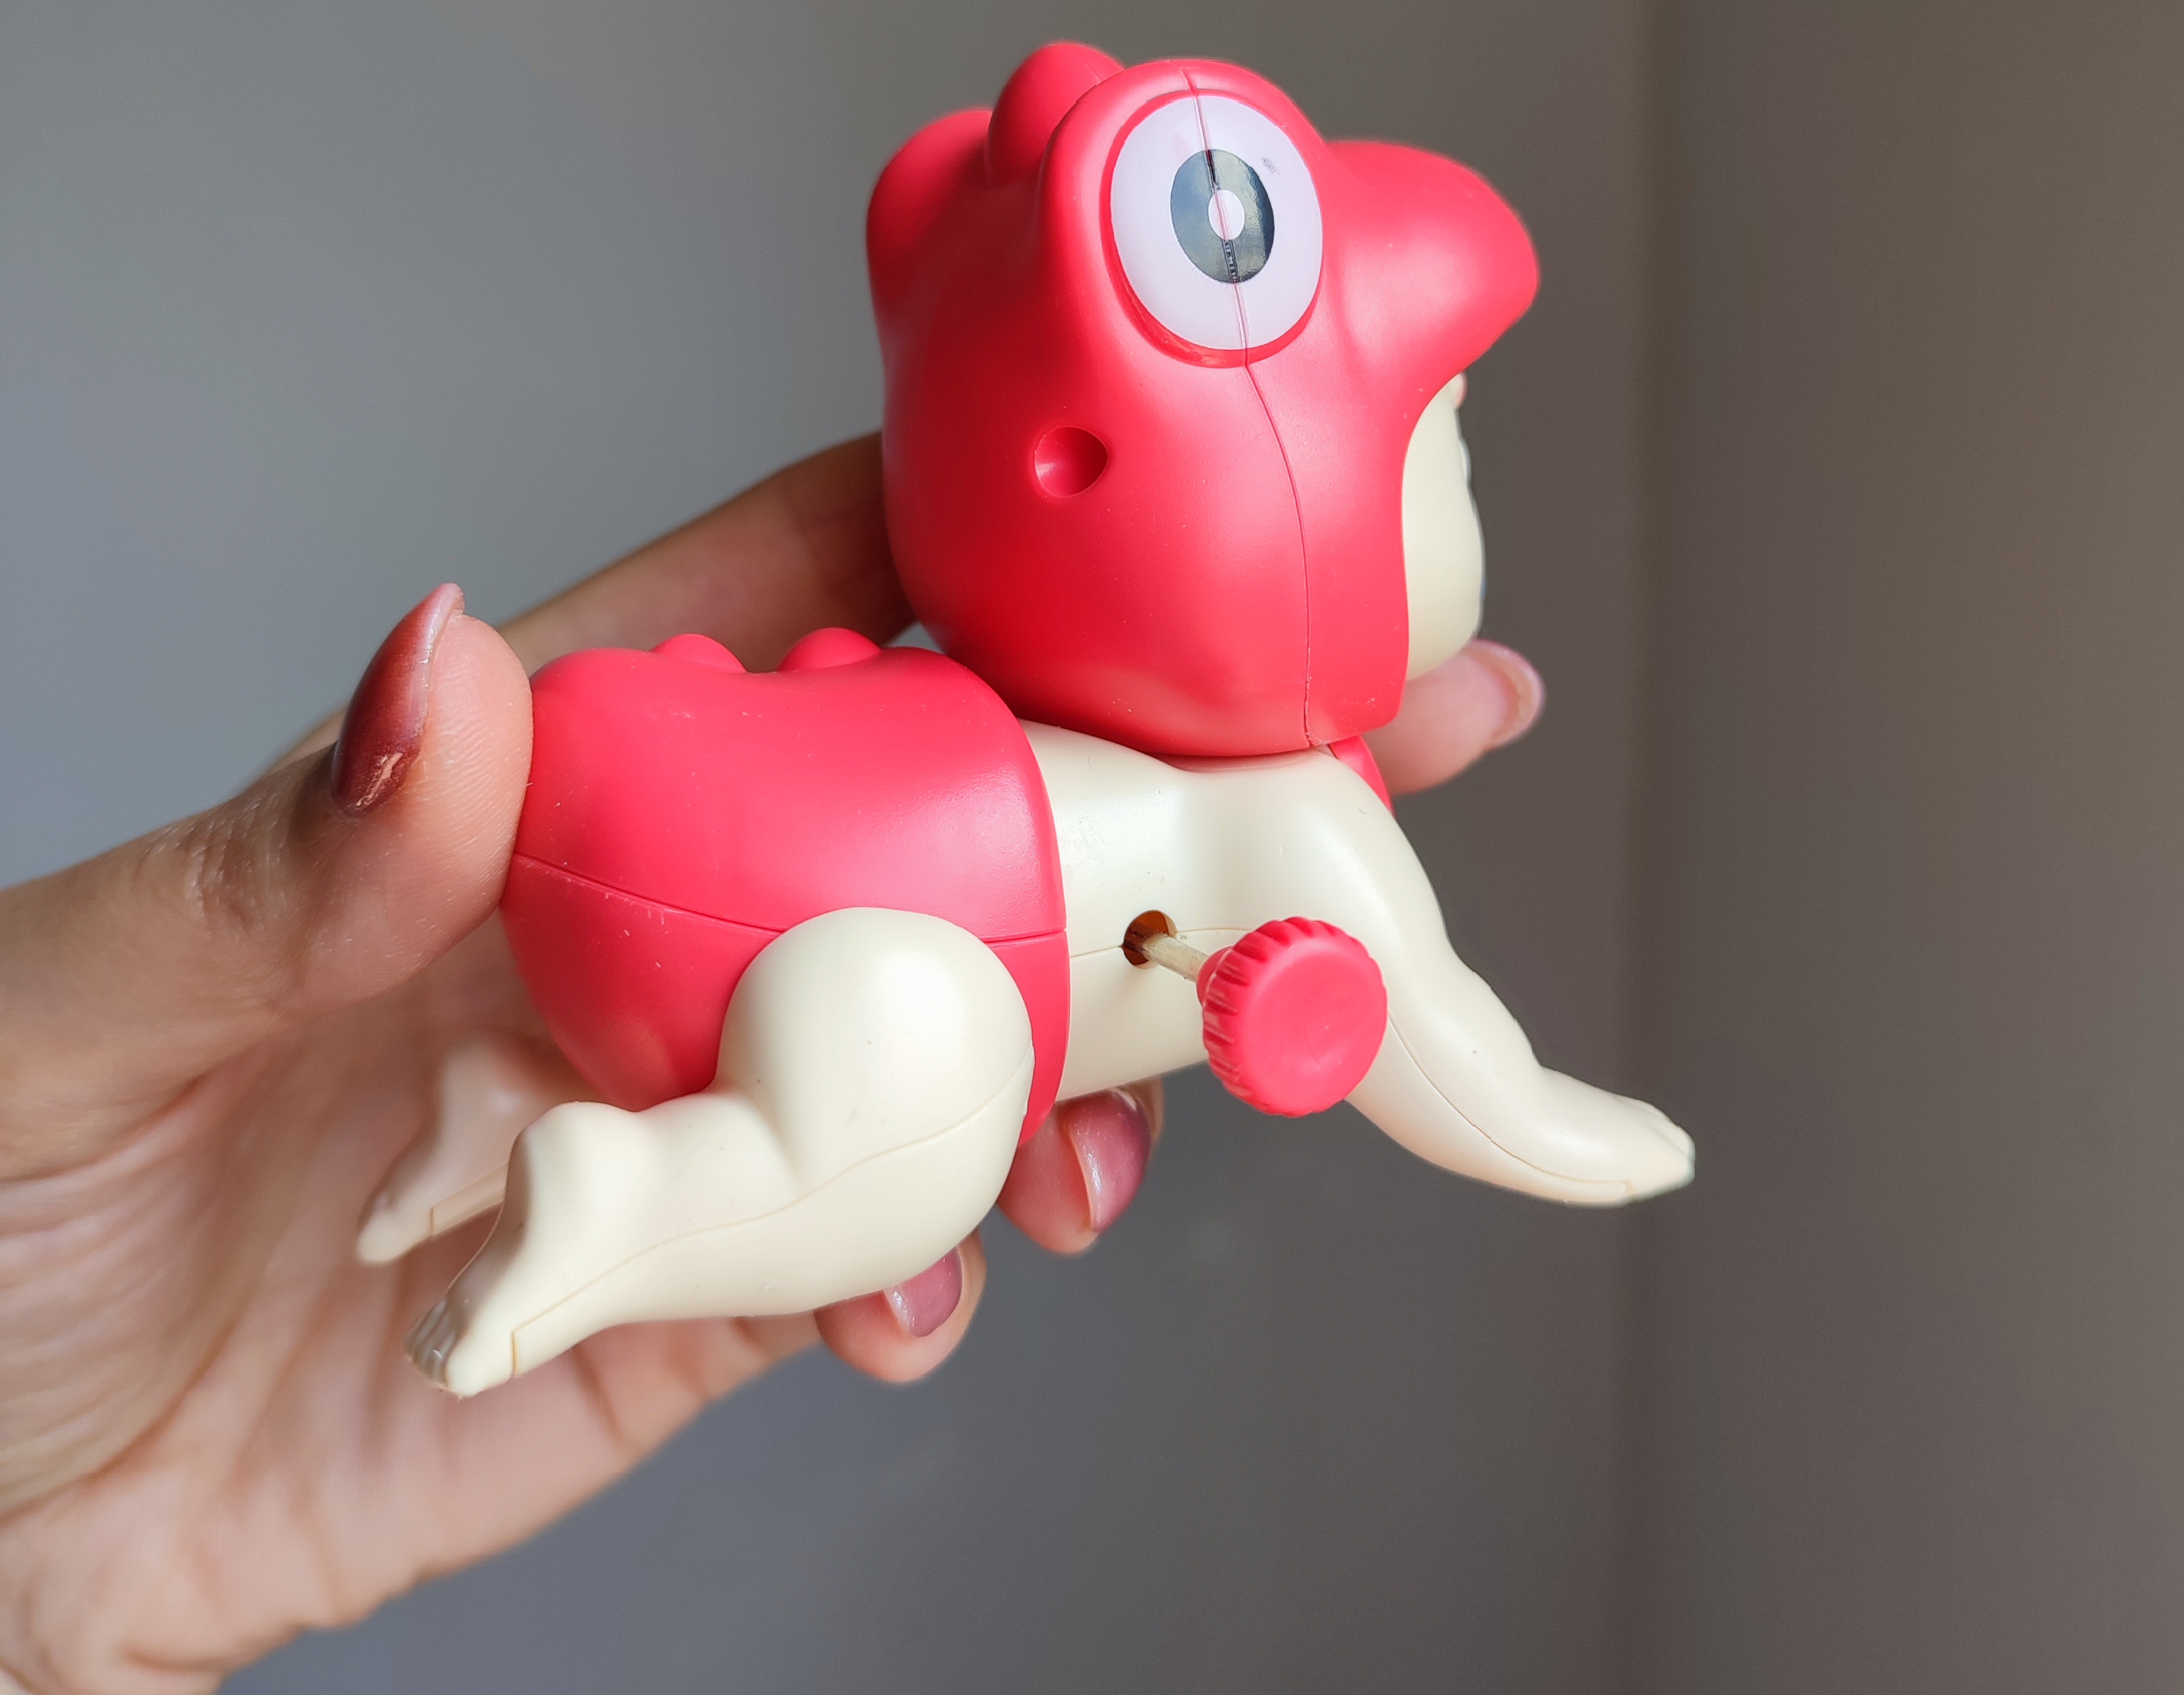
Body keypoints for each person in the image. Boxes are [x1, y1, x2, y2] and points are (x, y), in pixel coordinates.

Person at [0, 436, 1544, 1688]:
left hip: (632, 782)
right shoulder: (1308, 823)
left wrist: (46, 1639)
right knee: (922, 1142)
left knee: (888, 1121)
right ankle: (616, 1189)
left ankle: (518, 1096)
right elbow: (1462, 1072)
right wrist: (1603, 1142)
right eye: (1442, 449)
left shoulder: (1159, 702)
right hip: (850, 906)